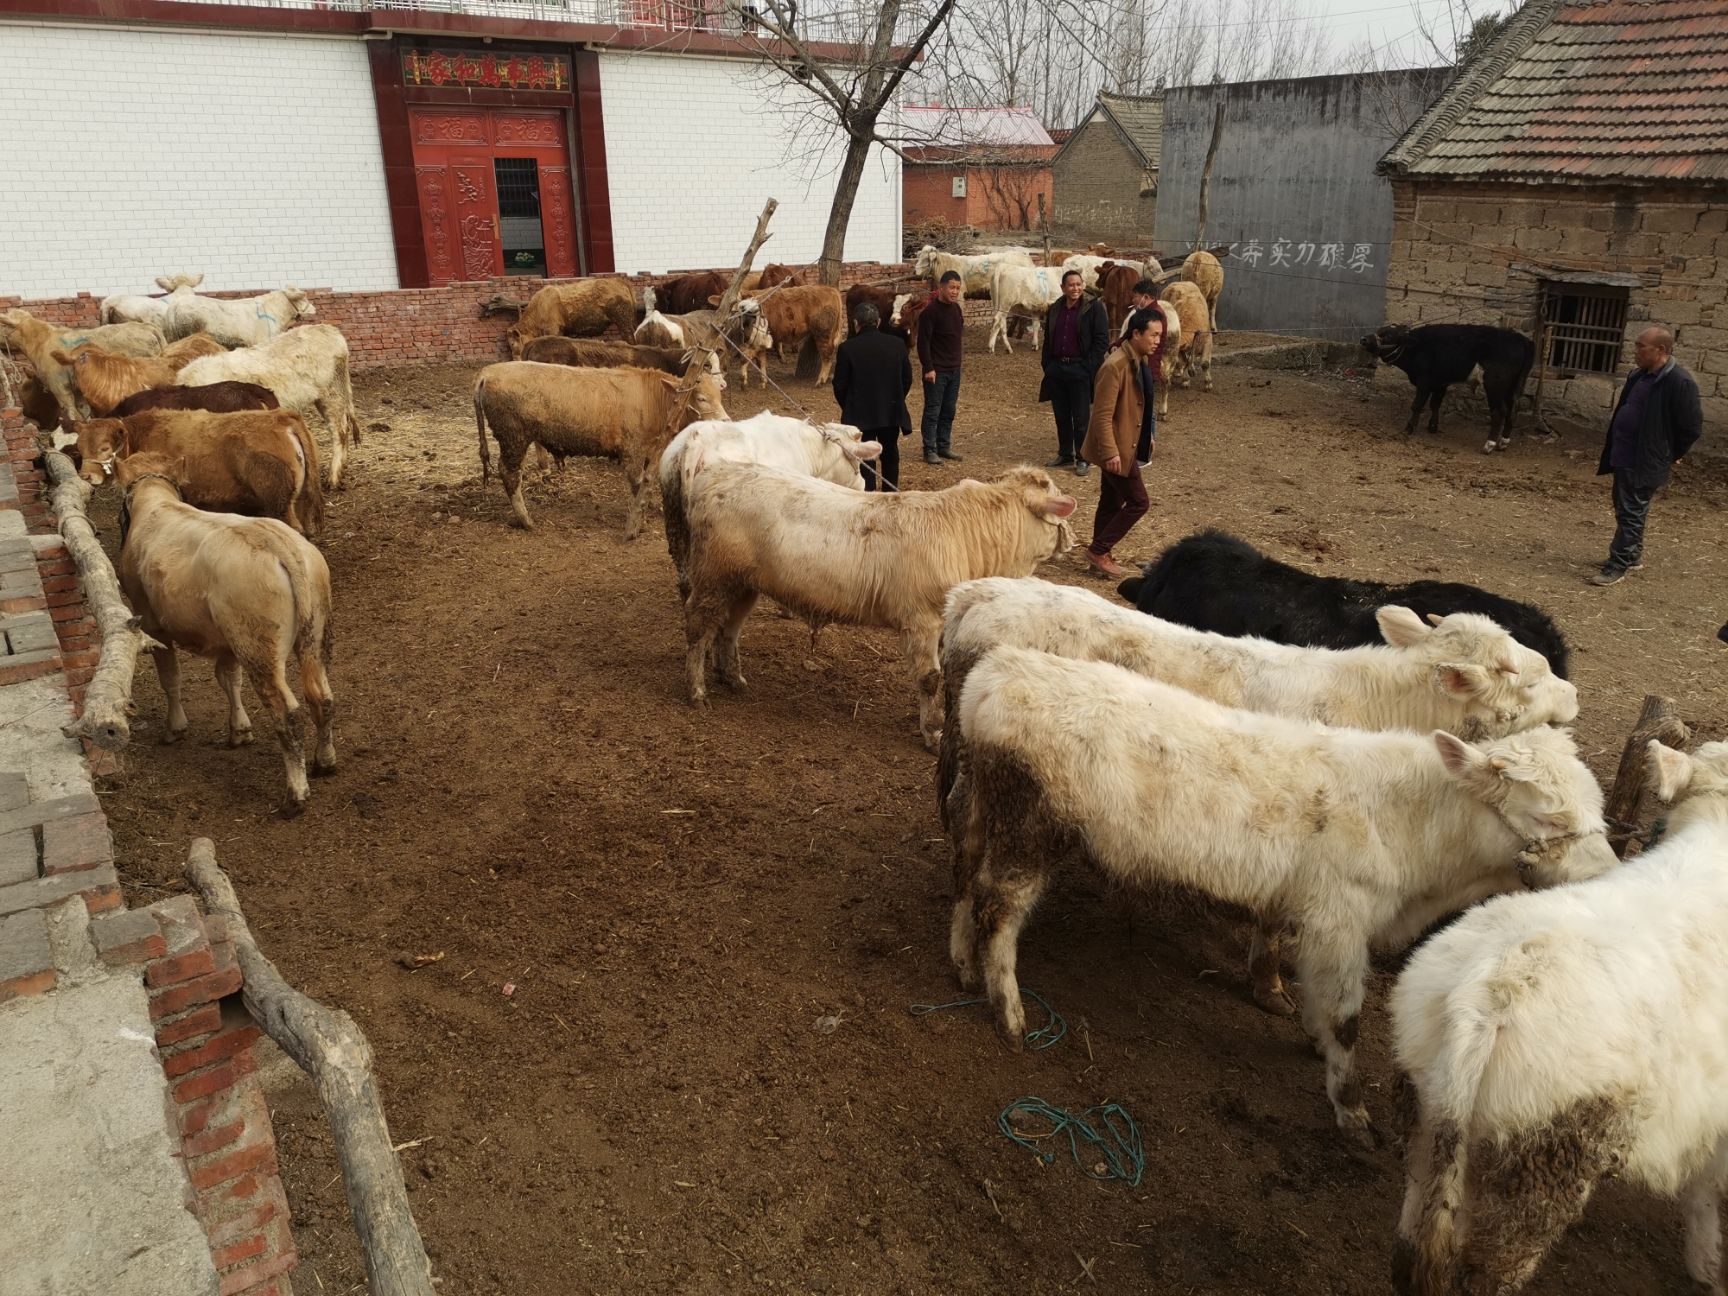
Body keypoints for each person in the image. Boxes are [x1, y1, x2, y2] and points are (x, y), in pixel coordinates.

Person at [1588, 325, 1702, 586]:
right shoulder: (1639, 376)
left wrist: (1671, 453)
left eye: (1641, 346)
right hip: (1624, 453)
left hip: (1646, 459)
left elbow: (1691, 427)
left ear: (1660, 350)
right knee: (1625, 506)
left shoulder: (1679, 382)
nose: (1635, 350)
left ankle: (1617, 564)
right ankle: (1632, 555)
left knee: (1631, 511)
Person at [1080, 305, 1165, 579]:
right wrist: (1110, 452)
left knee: (1110, 501)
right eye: (1153, 335)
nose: (1157, 341)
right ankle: (1099, 549)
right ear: (1136, 333)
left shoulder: (1137, 360)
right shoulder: (1114, 366)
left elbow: (1137, 405)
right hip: (1116, 449)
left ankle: (1100, 554)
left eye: (1159, 336)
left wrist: (1146, 434)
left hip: (1125, 444)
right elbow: (1102, 416)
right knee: (1139, 502)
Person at [832, 302, 912, 491]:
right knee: (890, 452)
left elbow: (840, 385)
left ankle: (868, 495)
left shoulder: (847, 348)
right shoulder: (897, 344)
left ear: (855, 323)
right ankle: (891, 493)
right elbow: (907, 378)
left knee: (865, 457)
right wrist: (896, 397)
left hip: (860, 413)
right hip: (890, 411)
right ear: (878, 322)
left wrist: (849, 405)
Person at [1038, 269, 1109, 477]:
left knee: (1080, 417)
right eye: (1071, 285)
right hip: (1058, 369)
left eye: (1078, 284)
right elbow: (1049, 340)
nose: (1075, 288)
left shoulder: (1093, 307)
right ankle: (1065, 453)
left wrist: (1088, 367)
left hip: (1080, 369)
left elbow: (1101, 340)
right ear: (1063, 287)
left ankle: (1083, 457)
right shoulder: (1056, 308)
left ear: (1083, 285)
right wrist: (1048, 365)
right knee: (1061, 415)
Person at [916, 270, 966, 465]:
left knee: (949, 409)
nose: (954, 292)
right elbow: (923, 343)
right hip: (937, 370)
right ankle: (929, 448)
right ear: (941, 287)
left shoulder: (956, 310)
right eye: (951, 287)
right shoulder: (930, 312)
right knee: (933, 410)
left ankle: (943, 445)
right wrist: (928, 367)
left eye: (957, 288)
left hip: (954, 369)